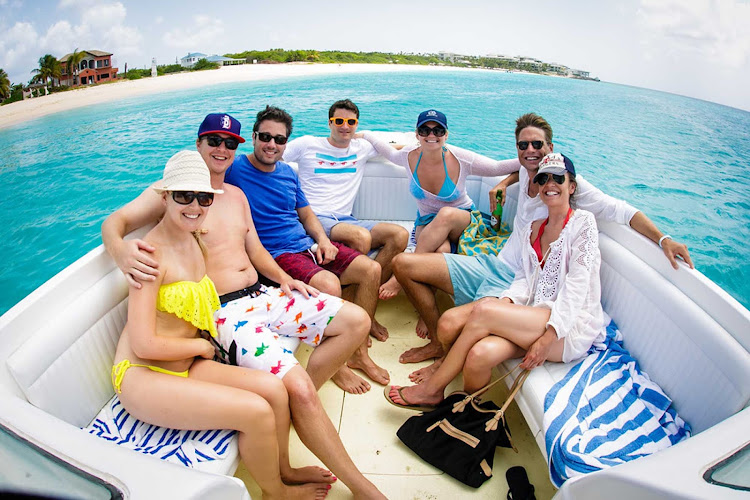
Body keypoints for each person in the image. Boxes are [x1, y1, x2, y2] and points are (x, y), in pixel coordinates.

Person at [102, 113, 386, 499]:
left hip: (262, 293)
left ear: (238, 149)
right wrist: (121, 252)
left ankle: (304, 404)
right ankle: (359, 484)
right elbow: (116, 221)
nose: (221, 149)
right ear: (198, 144)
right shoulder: (175, 196)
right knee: (296, 387)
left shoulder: (231, 194)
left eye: (229, 143)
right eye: (213, 141)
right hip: (226, 313)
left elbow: (253, 246)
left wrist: (285, 279)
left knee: (354, 320)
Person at [393, 113, 694, 380]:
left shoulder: (562, 183)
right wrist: (504, 183)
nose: (530, 151)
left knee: (451, 324)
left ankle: (443, 361)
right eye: (523, 146)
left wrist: (663, 239)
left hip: (518, 282)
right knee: (404, 264)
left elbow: (621, 211)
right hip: (497, 261)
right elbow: (523, 169)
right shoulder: (528, 169)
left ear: (551, 148)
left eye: (537, 145)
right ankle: (436, 341)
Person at [111, 150, 331, 499]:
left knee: (275, 390)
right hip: (146, 373)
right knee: (256, 412)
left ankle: (284, 468)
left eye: (203, 197)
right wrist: (202, 347)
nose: (195, 206)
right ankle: (275, 492)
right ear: (164, 197)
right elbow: (142, 344)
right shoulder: (149, 257)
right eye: (184, 196)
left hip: (185, 364)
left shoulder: (195, 240)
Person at [385, 153, 608, 408]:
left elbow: (577, 286)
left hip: (567, 328)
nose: (549, 184)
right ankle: (467, 412)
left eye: (558, 178)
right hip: (533, 316)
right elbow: (525, 277)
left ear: (572, 186)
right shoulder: (533, 228)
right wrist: (507, 303)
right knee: (480, 354)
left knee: (484, 311)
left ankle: (432, 390)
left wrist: (548, 338)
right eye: (543, 178)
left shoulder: (583, 224)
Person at [224, 106, 389, 394]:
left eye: (280, 139)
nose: (272, 144)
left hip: (306, 245)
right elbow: (204, 170)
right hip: (276, 254)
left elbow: (307, 215)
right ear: (253, 137)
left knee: (371, 269)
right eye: (265, 137)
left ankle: (358, 352)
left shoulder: (287, 172)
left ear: (287, 143)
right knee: (329, 283)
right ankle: (337, 366)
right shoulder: (235, 168)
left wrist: (323, 242)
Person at [359, 109, 521, 337]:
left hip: (462, 220)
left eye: (438, 130)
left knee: (445, 214)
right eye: (425, 129)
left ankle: (397, 279)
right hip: (427, 222)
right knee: (441, 249)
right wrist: (363, 134)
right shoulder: (407, 156)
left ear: (446, 134)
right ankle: (427, 312)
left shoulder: (461, 159)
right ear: (417, 133)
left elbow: (500, 167)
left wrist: (505, 182)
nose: (431, 135)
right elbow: (382, 147)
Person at [283, 99, 410, 305]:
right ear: (329, 123)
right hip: (314, 217)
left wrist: (428, 144)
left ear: (357, 125)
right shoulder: (307, 144)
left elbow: (396, 150)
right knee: (360, 237)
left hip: (345, 219)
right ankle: (351, 301)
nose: (345, 126)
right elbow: (272, 156)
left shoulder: (362, 148)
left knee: (399, 235)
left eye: (351, 122)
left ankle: (365, 294)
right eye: (339, 120)